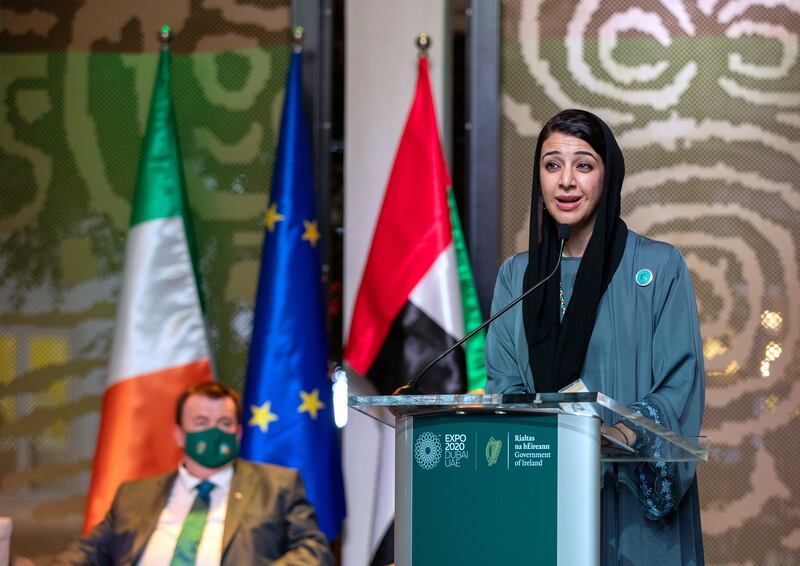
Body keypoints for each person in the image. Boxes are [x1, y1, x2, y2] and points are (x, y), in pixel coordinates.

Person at [484, 109, 705, 564]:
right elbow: (504, 385)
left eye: (583, 165)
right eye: (552, 165)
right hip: (546, 497)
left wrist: (618, 434)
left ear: (608, 177)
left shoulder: (659, 266)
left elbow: (679, 388)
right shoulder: (517, 276)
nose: (566, 181)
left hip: (631, 509)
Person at [54, 382, 332, 565]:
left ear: (238, 433)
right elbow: (90, 551)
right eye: (201, 422)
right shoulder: (134, 494)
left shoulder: (277, 486)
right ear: (179, 434)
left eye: (224, 423)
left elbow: (314, 549)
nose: (214, 431)